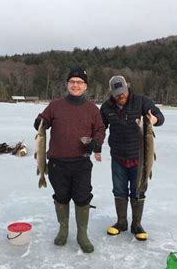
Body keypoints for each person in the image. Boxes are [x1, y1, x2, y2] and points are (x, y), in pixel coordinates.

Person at [33, 66, 106, 253]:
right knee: (61, 197)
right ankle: (63, 230)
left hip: (81, 163)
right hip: (57, 164)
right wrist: (40, 122)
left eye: (79, 82)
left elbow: (100, 129)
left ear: (85, 86)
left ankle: (82, 234)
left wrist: (95, 143)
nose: (75, 85)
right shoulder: (55, 105)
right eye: (72, 82)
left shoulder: (92, 109)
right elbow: (43, 120)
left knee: (82, 198)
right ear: (67, 84)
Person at [100, 75, 165, 241]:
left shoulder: (141, 102)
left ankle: (136, 224)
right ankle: (121, 222)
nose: (121, 96)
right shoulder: (107, 107)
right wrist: (96, 146)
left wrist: (153, 119)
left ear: (127, 88)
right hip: (118, 157)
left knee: (138, 189)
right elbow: (100, 128)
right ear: (112, 93)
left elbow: (160, 116)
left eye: (123, 92)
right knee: (119, 190)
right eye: (117, 93)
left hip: (139, 158)